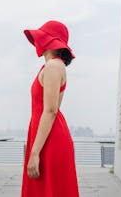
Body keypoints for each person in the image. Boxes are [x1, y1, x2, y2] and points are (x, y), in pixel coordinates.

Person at [21, 20, 80, 197]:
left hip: (50, 141)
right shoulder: (52, 66)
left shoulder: (53, 66)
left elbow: (51, 110)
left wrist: (35, 152)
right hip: (46, 136)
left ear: (49, 41)